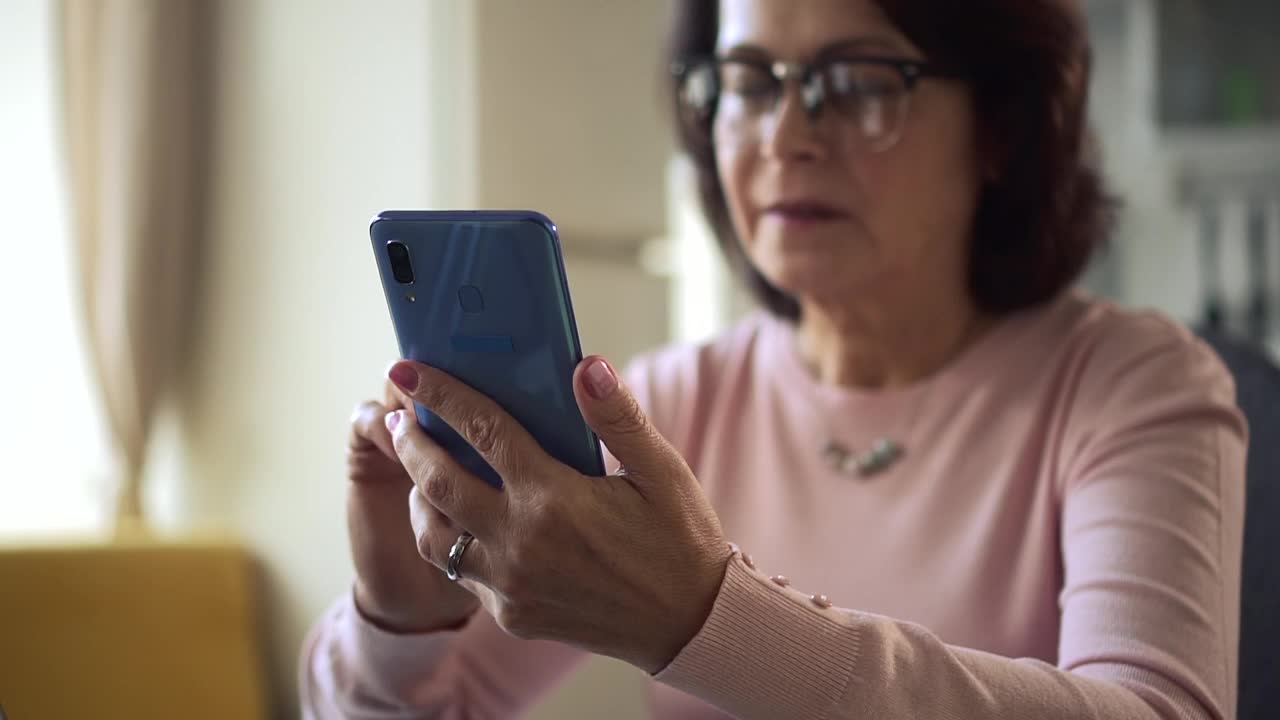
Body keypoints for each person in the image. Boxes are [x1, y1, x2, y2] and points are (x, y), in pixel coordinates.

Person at [300, 0, 1246, 717]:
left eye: (863, 80)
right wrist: (399, 618)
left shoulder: (1134, 381)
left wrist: (702, 619)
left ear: (998, 125)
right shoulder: (659, 408)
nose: (786, 137)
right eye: (749, 83)